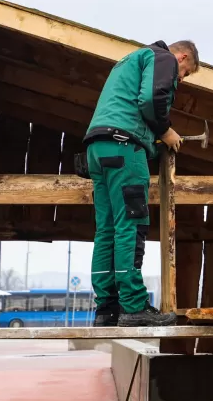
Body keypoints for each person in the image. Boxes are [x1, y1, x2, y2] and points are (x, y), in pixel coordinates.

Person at [84, 40, 200, 327]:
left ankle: (106, 309)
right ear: (183, 56)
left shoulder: (128, 61)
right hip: (125, 148)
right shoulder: (163, 58)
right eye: (185, 72)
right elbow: (151, 99)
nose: (181, 78)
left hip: (97, 150)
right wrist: (166, 130)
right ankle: (134, 307)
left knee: (107, 229)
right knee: (130, 225)